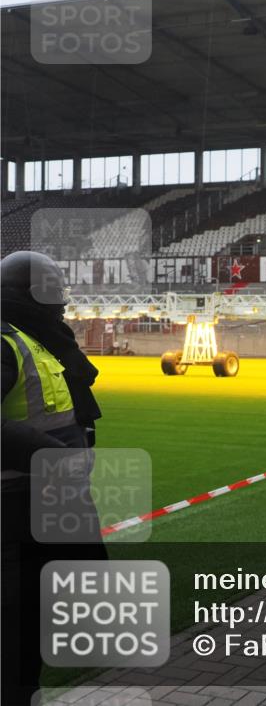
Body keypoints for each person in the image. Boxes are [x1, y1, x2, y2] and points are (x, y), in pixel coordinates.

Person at [1, 251, 106, 706]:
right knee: (16, 621)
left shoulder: (36, 336)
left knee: (54, 610)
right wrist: (54, 456)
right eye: (51, 292)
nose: (60, 304)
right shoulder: (5, 340)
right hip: (16, 506)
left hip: (55, 500)